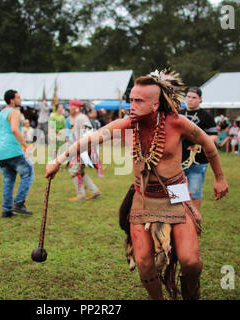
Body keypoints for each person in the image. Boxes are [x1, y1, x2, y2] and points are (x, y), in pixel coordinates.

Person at [45, 70, 228, 300]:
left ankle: (192, 295)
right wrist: (58, 160)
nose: (131, 105)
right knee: (143, 262)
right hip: (143, 195)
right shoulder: (126, 124)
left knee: (190, 261)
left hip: (176, 192)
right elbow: (91, 138)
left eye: (138, 100)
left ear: (154, 105)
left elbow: (209, 146)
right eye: (130, 99)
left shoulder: (178, 123)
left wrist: (220, 177)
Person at [0, 90, 34, 218]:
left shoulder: (1, 113)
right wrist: (25, 145)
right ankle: (19, 203)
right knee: (28, 172)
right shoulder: (15, 112)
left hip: (0, 152)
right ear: (12, 100)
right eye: (18, 97)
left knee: (8, 180)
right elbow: (14, 129)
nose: (20, 99)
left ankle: (6, 210)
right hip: (11, 150)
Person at [180, 87, 218, 212]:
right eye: (188, 97)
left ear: (200, 99)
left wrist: (200, 144)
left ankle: (194, 218)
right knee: (177, 191)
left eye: (194, 97)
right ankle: (178, 216)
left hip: (199, 161)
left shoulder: (206, 116)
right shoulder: (179, 114)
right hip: (178, 160)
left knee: (194, 191)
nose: (190, 100)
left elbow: (214, 136)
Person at [65, 99, 101, 202]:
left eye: (71, 107)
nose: (69, 109)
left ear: (77, 108)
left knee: (73, 170)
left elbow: (87, 134)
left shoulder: (81, 118)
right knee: (80, 171)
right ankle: (94, 190)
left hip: (81, 149)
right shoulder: (80, 118)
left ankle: (81, 194)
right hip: (81, 148)